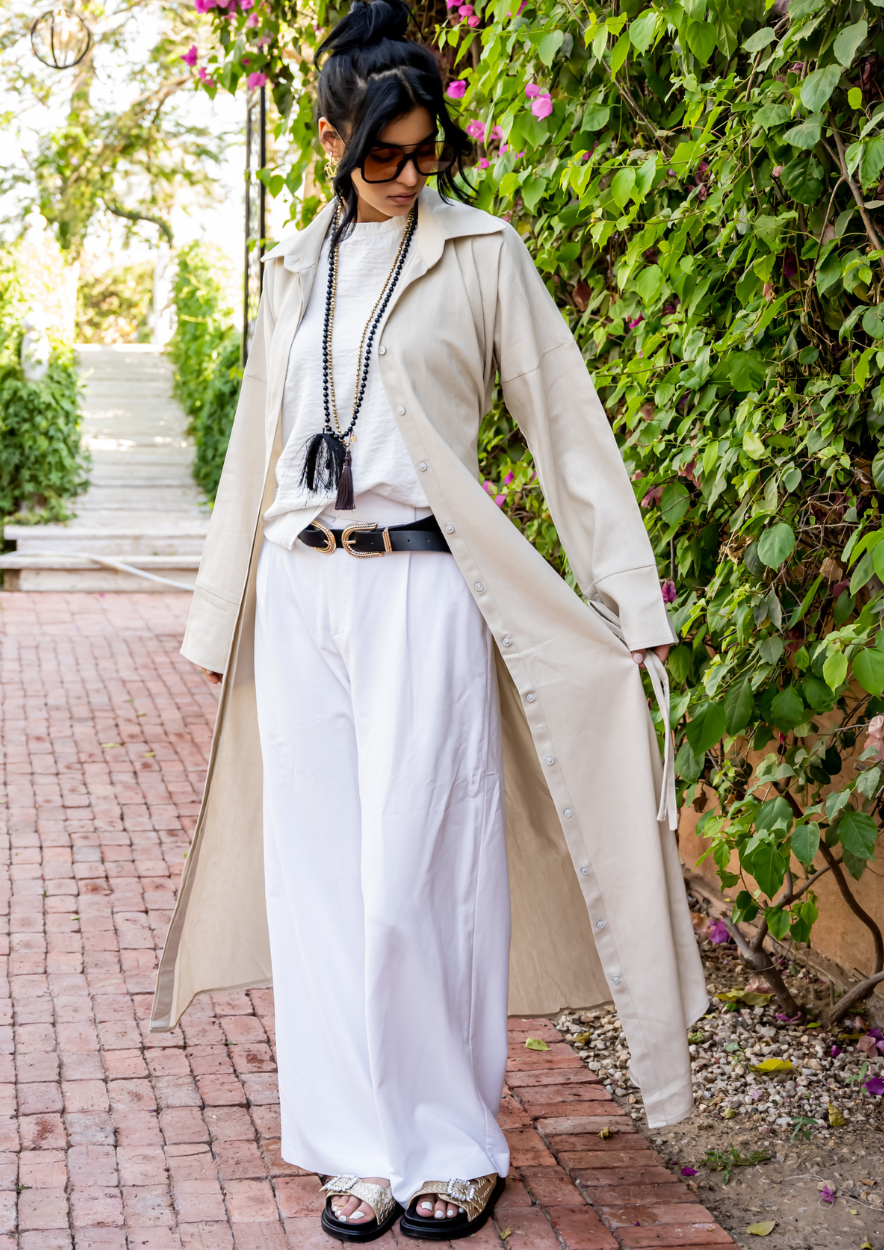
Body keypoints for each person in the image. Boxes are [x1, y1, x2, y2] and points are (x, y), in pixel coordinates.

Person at [149, 0, 708, 1242]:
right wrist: (214, 619)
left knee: (421, 882)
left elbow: (567, 427)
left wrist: (629, 597)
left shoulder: (482, 254)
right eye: (381, 155)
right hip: (299, 595)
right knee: (325, 887)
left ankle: (452, 1141)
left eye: (423, 153)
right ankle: (355, 1143)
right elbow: (258, 451)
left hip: (421, 592)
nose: (406, 176)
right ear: (332, 141)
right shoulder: (294, 264)